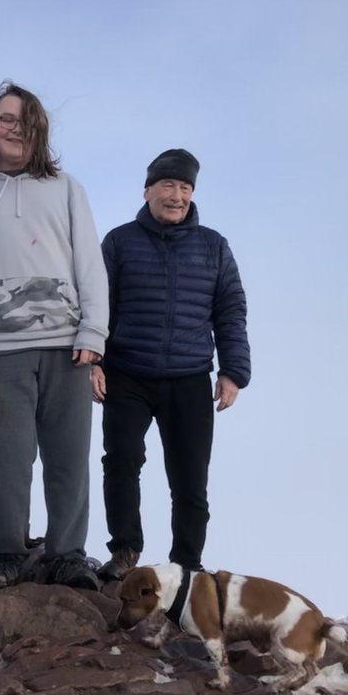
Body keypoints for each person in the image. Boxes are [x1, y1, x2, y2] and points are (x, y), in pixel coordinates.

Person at [0, 81, 109, 591]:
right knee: (6, 461)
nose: (15, 129)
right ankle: (7, 554)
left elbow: (90, 265)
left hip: (67, 347)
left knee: (68, 459)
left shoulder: (67, 190)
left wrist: (93, 330)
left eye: (24, 121)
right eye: (5, 119)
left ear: (39, 131)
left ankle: (67, 556)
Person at [92, 149, 250, 581]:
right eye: (167, 185)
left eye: (184, 187)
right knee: (121, 462)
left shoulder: (214, 246)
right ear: (147, 191)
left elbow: (230, 311)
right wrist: (94, 361)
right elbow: (97, 306)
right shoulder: (119, 242)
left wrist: (233, 371)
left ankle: (187, 565)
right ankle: (124, 551)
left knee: (190, 478)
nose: (176, 196)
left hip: (190, 376)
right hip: (127, 372)